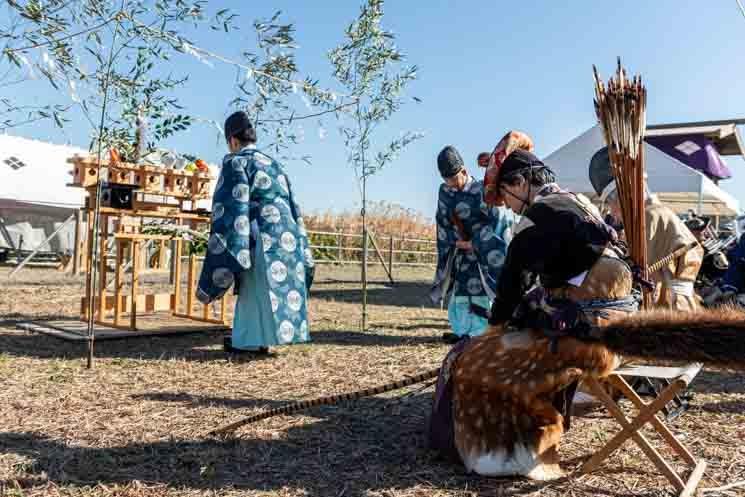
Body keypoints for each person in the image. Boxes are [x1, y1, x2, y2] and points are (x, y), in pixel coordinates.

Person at [429, 149, 641, 478]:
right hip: (622, 329)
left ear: (522, 182)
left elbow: (513, 283)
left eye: (506, 196)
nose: (508, 206)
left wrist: (494, 329)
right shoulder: (577, 201)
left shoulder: (539, 215)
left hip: (589, 334)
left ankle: (510, 452)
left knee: (489, 359)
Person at [196, 111, 315, 355]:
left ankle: (247, 341)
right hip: (287, 235)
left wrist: (232, 242)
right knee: (269, 290)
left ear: (232, 141)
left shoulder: (235, 162)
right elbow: (292, 204)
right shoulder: (274, 164)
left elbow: (231, 207)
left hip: (260, 235)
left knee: (253, 289)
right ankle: (256, 338)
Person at [589, 147, 703, 311]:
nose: (611, 212)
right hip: (672, 300)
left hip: (670, 305)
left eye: (609, 203)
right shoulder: (651, 214)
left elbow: (649, 277)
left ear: (622, 198)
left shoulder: (649, 217)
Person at [430, 145, 513, 343]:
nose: (451, 184)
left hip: (483, 253)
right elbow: (442, 221)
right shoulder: (444, 192)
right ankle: (461, 331)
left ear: (465, 171)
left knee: (481, 291)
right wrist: (454, 241)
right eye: (447, 180)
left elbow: (499, 220)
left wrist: (475, 243)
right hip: (459, 252)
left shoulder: (483, 191)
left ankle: (481, 332)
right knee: (461, 289)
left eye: (454, 179)